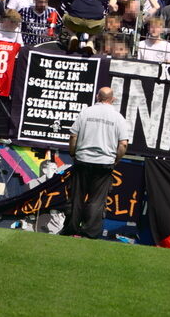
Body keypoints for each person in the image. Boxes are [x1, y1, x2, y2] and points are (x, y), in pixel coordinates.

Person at [61, 87, 130, 239]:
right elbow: (123, 144)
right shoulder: (118, 117)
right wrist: (116, 159)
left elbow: (73, 136)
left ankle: (71, 229)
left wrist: (73, 152)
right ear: (112, 99)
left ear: (97, 96)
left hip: (83, 160)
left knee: (76, 197)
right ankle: (89, 233)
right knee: (97, 200)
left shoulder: (86, 112)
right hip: (105, 163)